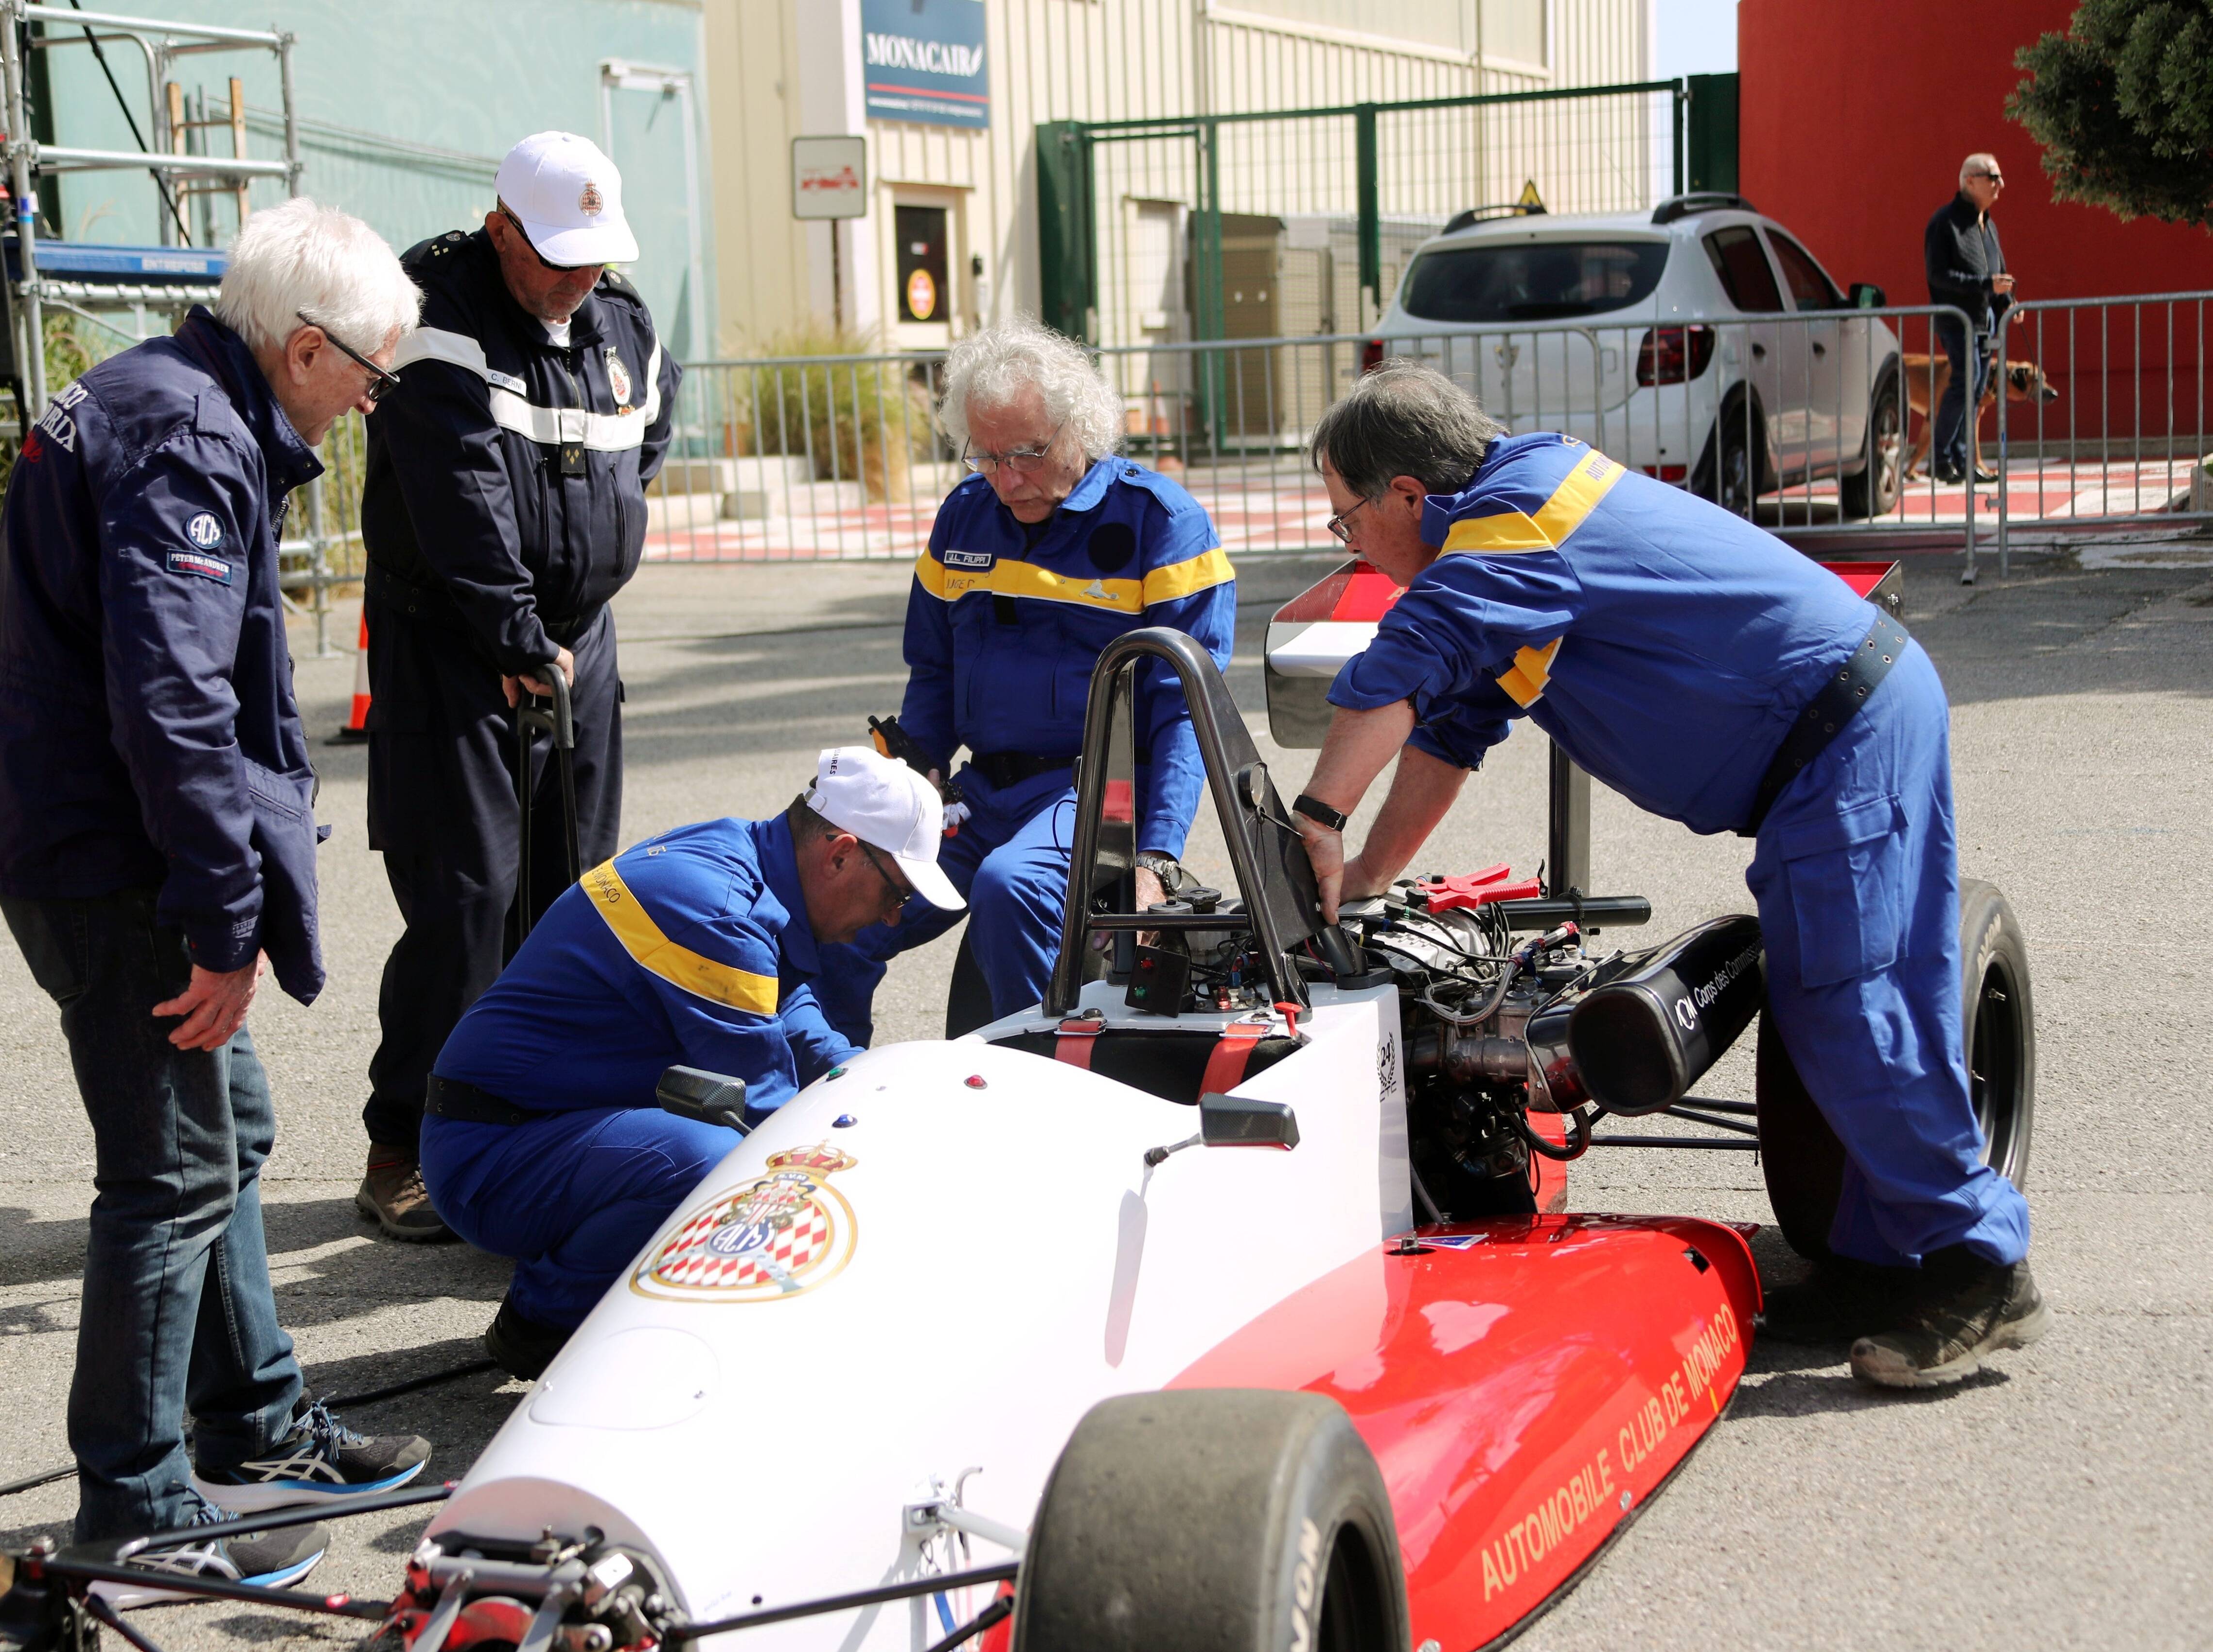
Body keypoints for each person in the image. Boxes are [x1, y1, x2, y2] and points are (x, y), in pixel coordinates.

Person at [1287, 363, 2045, 1391]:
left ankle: (1981, 1269)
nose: (1350, 542)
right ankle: (1874, 1269)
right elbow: (1451, 726)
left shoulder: (1515, 519)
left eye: (1346, 520)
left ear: (1409, 495)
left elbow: (1409, 660)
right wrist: (1370, 878)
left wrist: (1320, 818)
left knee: (1852, 1004)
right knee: (1824, 1008)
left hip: (1841, 734)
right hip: (1831, 736)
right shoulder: (1512, 524)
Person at [0, 199, 431, 1592]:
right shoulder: (189, 436)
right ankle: (136, 1506)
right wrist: (227, 924)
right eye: (371, 373)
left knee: (228, 1129)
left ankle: (254, 1421)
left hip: (101, 845)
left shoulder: (161, 394)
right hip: (120, 867)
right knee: (169, 1174)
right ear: (306, 348)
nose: (369, 403)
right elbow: (175, 710)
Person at [355, 131, 682, 1243]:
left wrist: (585, 573)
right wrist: (513, 632)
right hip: (453, 643)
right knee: (465, 903)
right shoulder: (434, 312)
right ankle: (405, 1143)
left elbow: (643, 446)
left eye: (597, 257)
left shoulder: (621, 320)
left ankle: (532, 1125)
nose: (581, 278)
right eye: (558, 256)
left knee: (573, 898)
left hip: (577, 646)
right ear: (499, 230)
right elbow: (457, 498)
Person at [422, 747, 963, 1378]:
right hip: (487, 1155)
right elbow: (772, 1120)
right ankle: (542, 1323)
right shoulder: (716, 912)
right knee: (714, 1161)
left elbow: (795, 1018)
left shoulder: (742, 854)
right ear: (841, 853)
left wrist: (886, 1088)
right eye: (897, 893)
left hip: (540, 1123)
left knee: (720, 1154)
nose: (894, 917)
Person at [815, 318, 1236, 1044]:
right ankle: (828, 1079)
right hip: (979, 795)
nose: (1007, 479)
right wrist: (916, 775)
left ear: (1082, 427)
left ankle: (1042, 1082)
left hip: (1099, 794)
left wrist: (1157, 857)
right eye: (987, 456)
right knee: (838, 902)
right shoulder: (964, 515)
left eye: (1027, 454)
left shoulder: (1163, 525)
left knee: (1008, 889)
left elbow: (1183, 714)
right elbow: (934, 670)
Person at [1924, 153, 2015, 486]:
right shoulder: (1944, 222)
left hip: (1984, 319)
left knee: (1975, 391)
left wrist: (2007, 303)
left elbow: (1997, 272)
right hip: (1957, 320)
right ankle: (1940, 459)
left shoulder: (1987, 224)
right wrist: (1985, 285)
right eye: (1993, 177)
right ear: (1970, 181)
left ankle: (1963, 461)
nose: (2000, 184)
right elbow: (1938, 275)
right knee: (1966, 383)